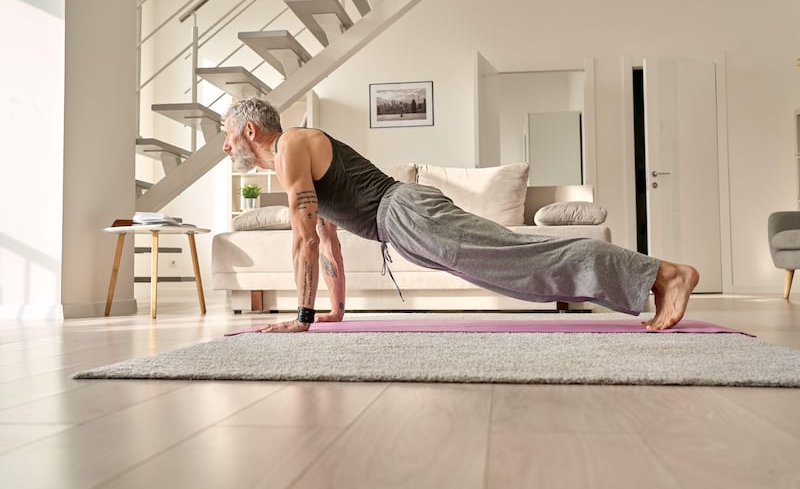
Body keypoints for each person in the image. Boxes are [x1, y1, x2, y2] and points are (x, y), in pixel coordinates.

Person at [222, 97, 699, 333]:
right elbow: (326, 240)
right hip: (405, 226)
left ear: (249, 129)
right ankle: (650, 280)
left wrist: (300, 318)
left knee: (524, 257)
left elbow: (303, 239)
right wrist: (334, 311)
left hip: (407, 214)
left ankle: (665, 274)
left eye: (227, 136)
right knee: (518, 275)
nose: (225, 147)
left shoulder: (291, 146)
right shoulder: (296, 163)